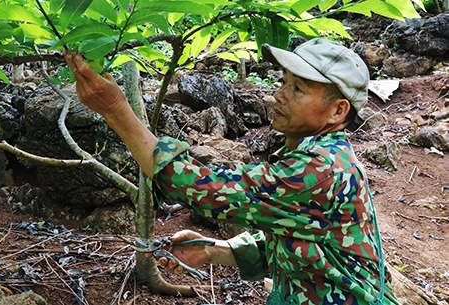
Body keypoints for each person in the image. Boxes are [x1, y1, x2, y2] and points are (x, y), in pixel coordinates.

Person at [64, 38, 398, 305]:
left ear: (337, 111)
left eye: (298, 89)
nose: (279, 94)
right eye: (284, 82)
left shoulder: (319, 169)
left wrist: (115, 110)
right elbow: (302, 246)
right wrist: (213, 250)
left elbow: (203, 188)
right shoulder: (321, 154)